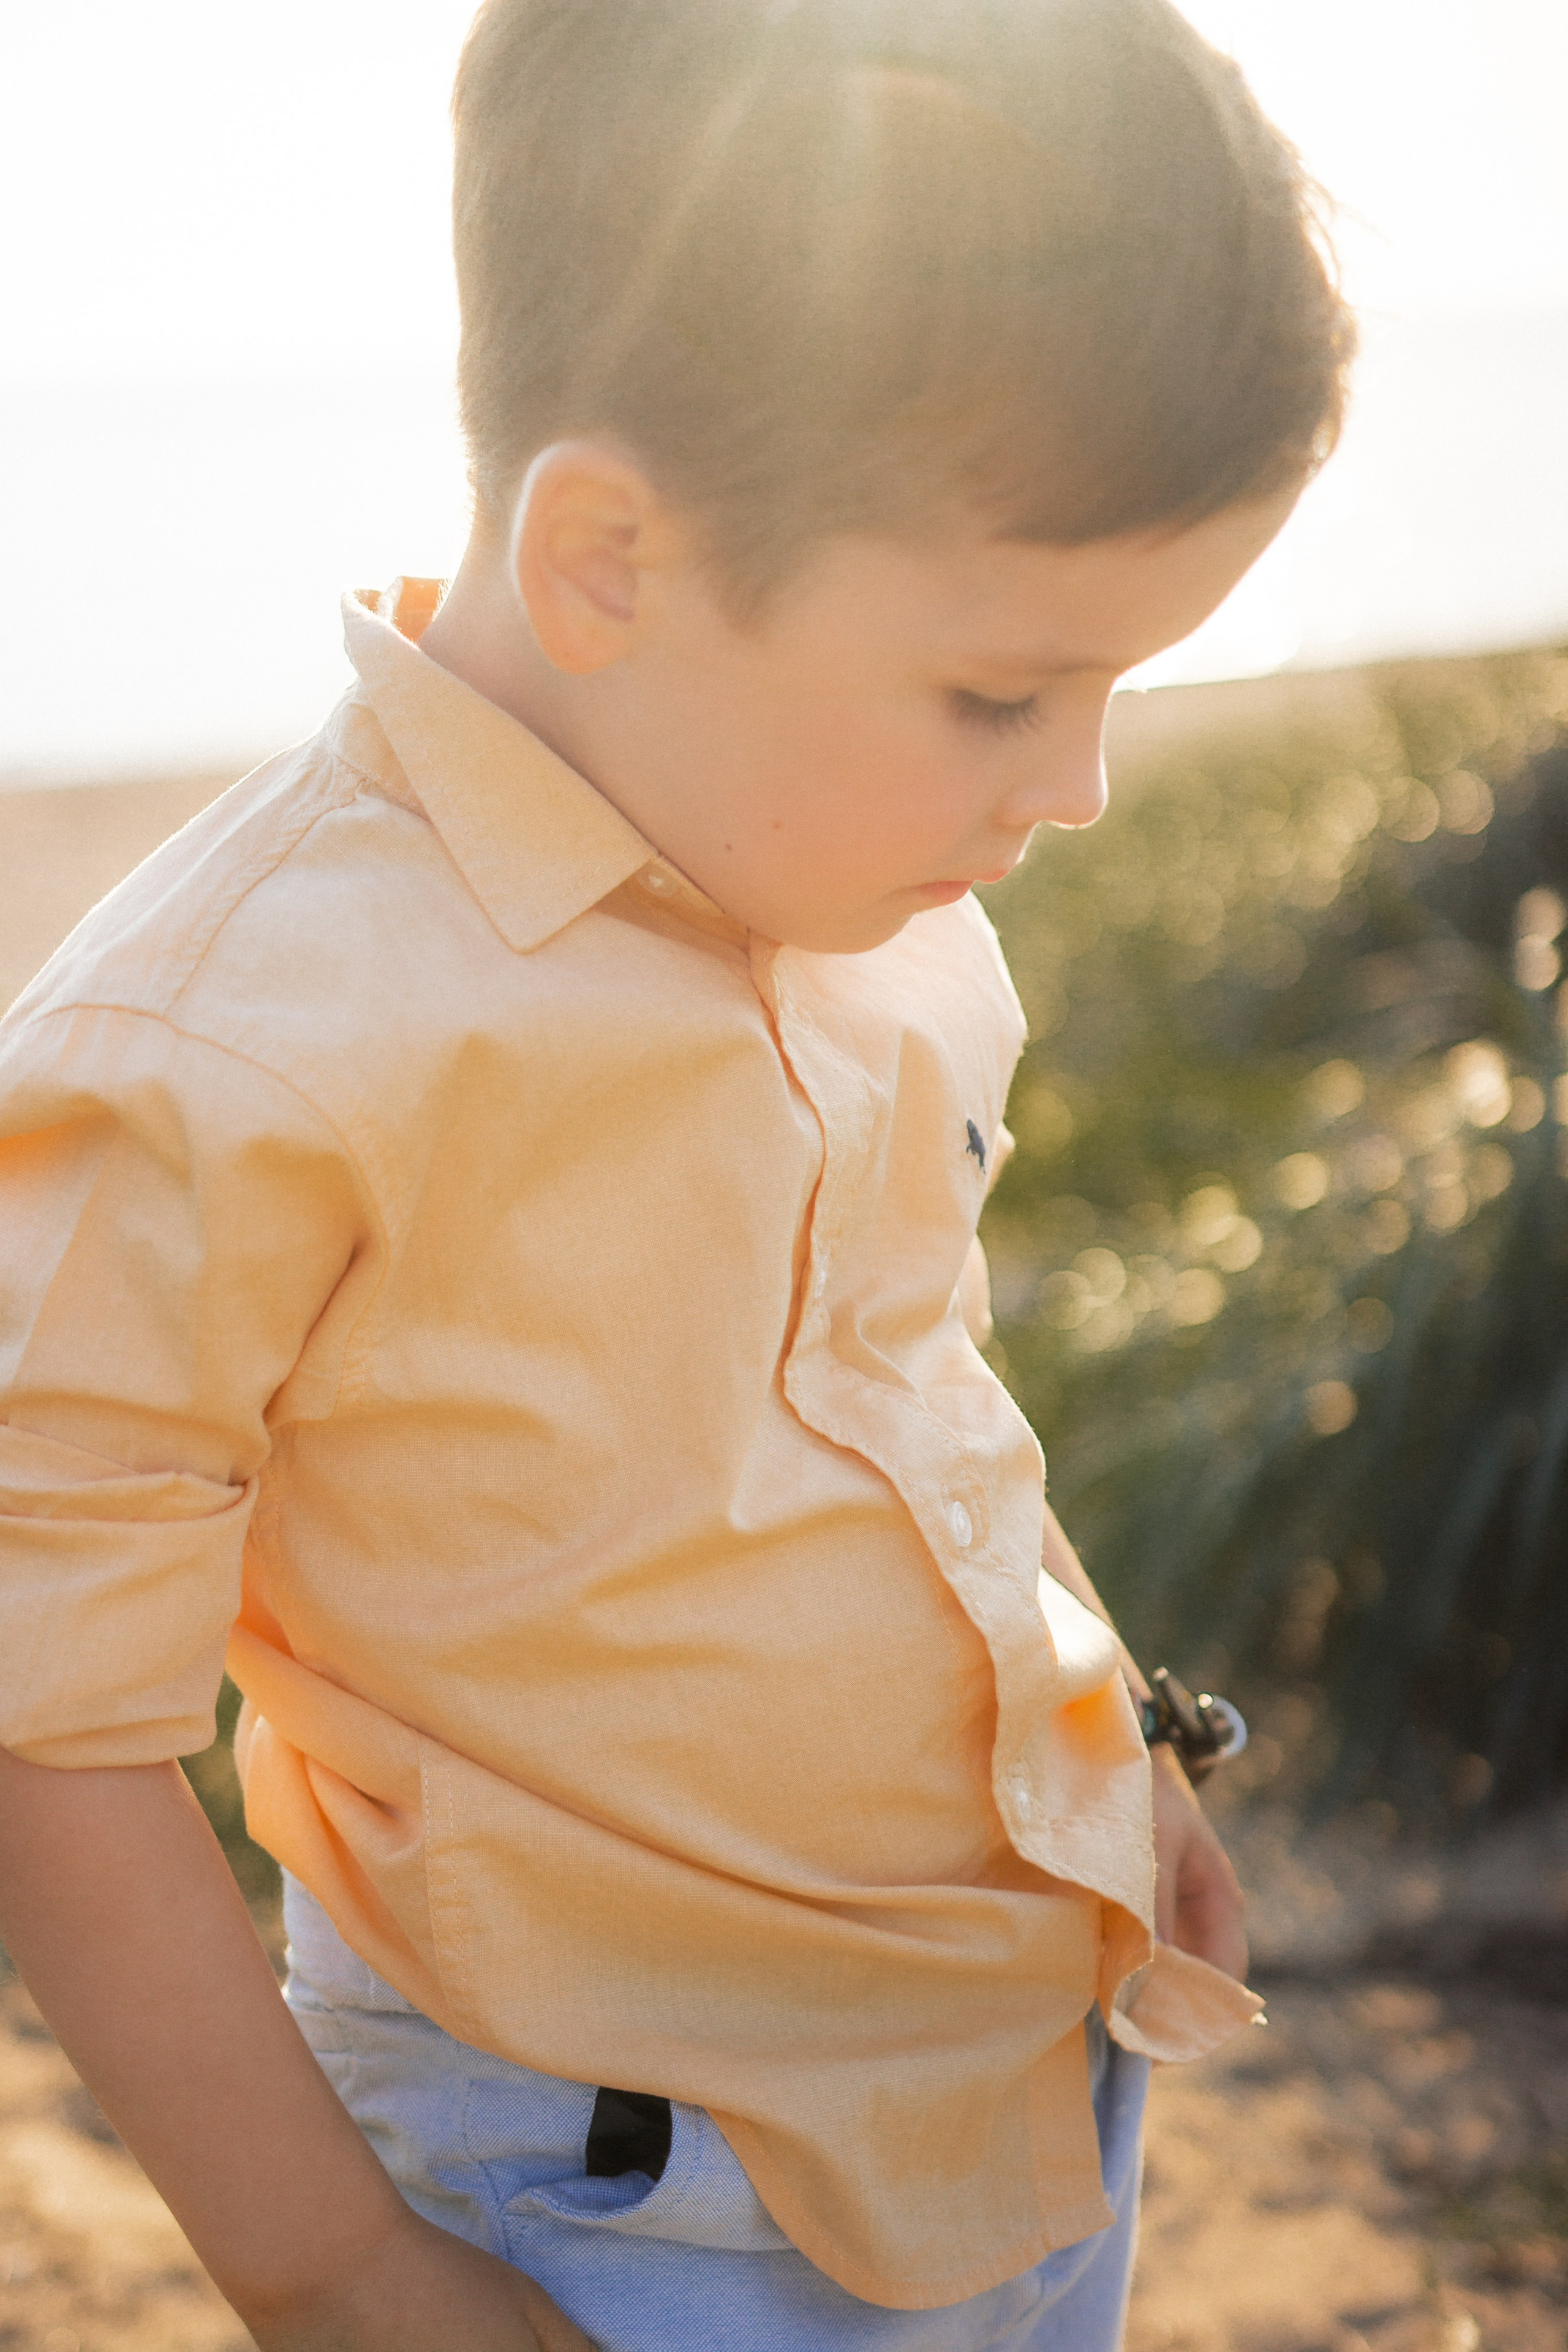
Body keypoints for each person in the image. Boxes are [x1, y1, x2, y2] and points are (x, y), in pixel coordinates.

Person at [0, 3, 1352, 2346]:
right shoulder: (230, 1044)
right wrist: (328, 2269)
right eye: (1006, 693)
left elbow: (899, 1391)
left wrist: (1106, 1762)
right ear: (610, 554)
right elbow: (47, 1708)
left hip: (1025, 2092)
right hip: (623, 2201)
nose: (1087, 787)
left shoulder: (872, 905)